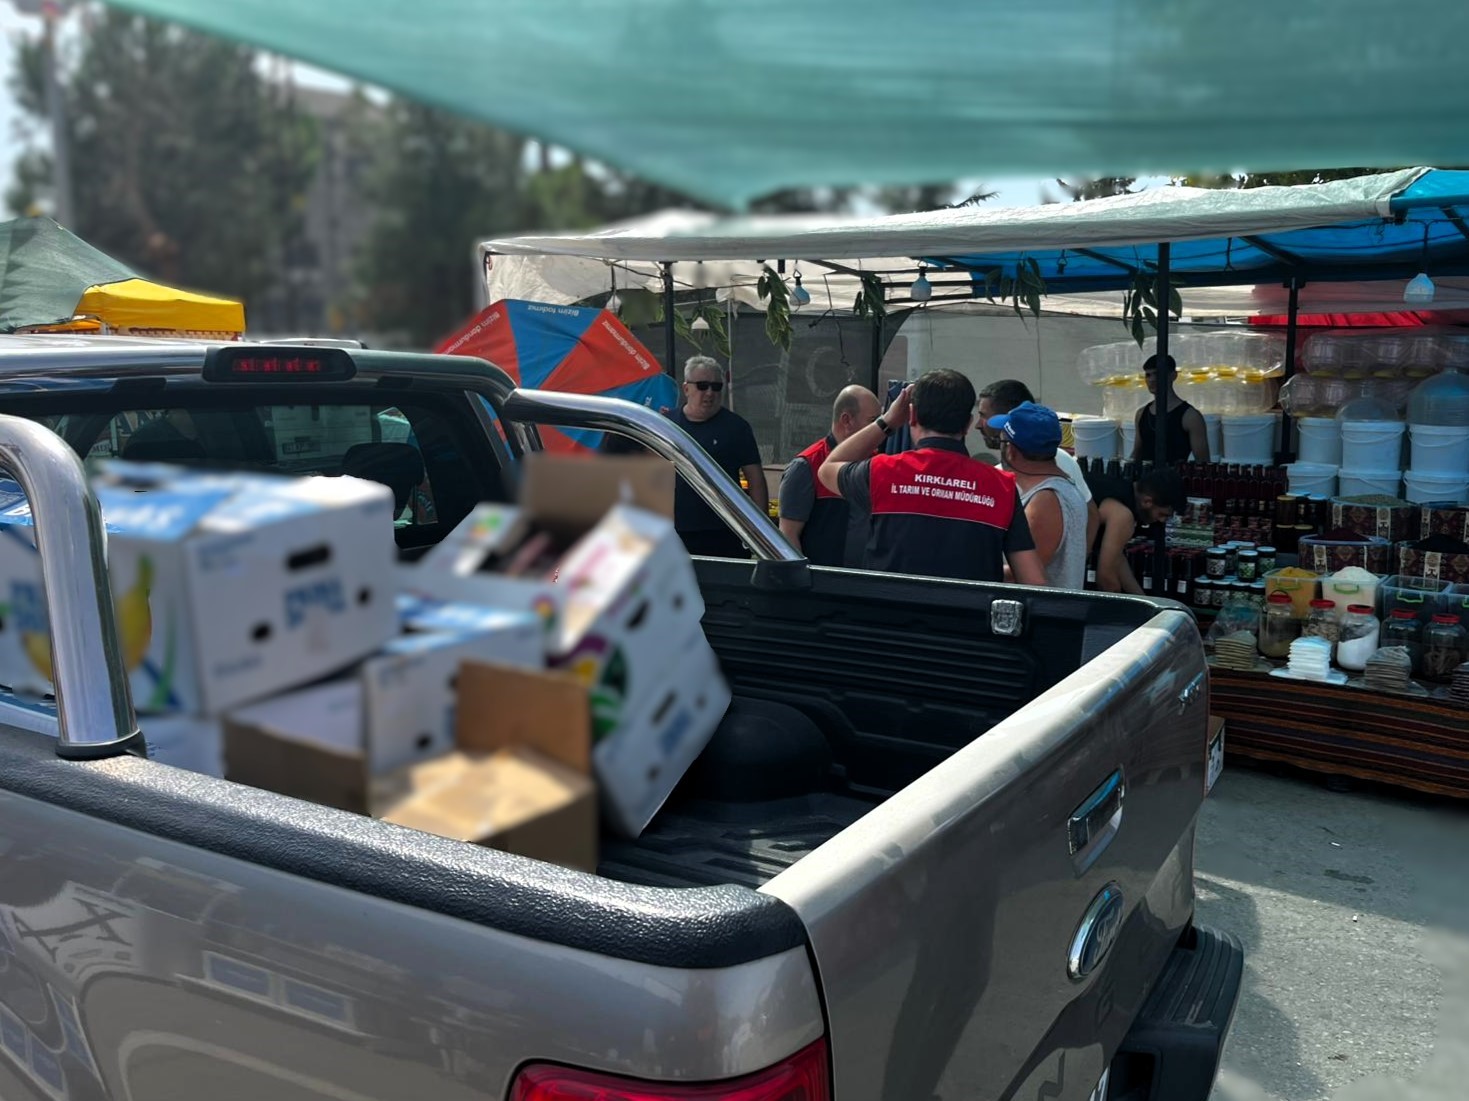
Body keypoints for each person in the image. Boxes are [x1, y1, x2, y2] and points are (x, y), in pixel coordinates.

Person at [817, 368, 1047, 585]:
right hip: (968, 623)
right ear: (967, 424)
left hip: (888, 620)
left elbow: (828, 468)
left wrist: (886, 422)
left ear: (912, 416)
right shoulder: (1002, 487)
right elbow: (1034, 581)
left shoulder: (881, 473)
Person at [668, 355, 767, 557]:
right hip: (675, 532)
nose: (710, 393)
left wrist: (760, 532)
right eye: (702, 386)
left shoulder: (737, 428)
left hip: (726, 530)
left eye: (716, 386)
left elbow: (755, 479)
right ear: (686, 388)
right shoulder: (667, 425)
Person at [985, 402, 1091, 589]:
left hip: (1042, 615)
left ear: (1011, 450)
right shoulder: (1060, 487)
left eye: (1000, 441)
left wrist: (966, 571)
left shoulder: (1046, 500)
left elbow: (1021, 573)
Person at [778, 385, 881, 566]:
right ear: (846, 420)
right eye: (873, 422)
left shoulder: (875, 463)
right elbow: (788, 535)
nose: (880, 431)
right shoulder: (806, 466)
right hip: (824, 584)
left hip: (866, 583)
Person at [976, 379, 1093, 503]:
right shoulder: (1063, 459)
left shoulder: (1041, 497)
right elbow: (1091, 516)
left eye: (983, 416)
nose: (977, 425)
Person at [1088, 465, 1185, 594]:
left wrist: (1143, 600)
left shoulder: (1117, 489)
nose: (1162, 521)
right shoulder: (1124, 516)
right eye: (1162, 515)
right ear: (1147, 502)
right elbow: (1106, 579)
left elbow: (1117, 559)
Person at [1133, 354, 1210, 464]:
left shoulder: (1190, 417)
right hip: (1145, 478)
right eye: (1148, 375)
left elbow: (1203, 462)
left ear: (1173, 376)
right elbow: (1136, 454)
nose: (1152, 379)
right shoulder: (1141, 414)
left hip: (1176, 478)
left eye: (1157, 374)